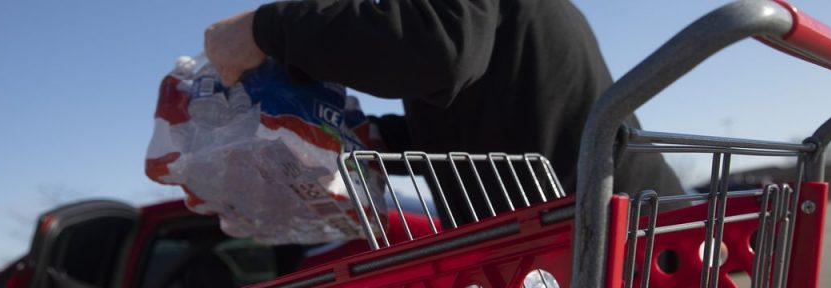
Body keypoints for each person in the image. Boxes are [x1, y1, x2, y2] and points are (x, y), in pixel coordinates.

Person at [204, 0, 683, 224]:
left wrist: (265, 29)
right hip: (590, 249)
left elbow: (441, 50)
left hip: (636, 256)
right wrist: (376, 138)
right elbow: (488, 116)